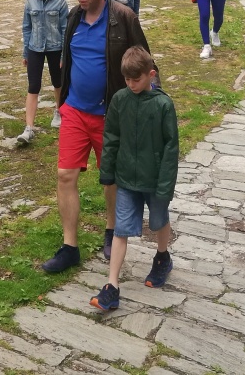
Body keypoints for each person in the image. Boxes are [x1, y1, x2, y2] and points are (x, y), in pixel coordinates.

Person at [41, 0, 151, 275]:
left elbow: (145, 63)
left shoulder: (123, 18)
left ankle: (111, 230)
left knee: (111, 178)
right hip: (75, 110)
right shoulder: (74, 17)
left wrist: (148, 107)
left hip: (110, 114)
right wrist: (62, 102)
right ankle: (69, 247)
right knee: (65, 175)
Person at [90, 47, 179, 310]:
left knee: (159, 221)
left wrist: (165, 185)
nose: (131, 84)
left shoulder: (163, 105)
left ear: (151, 75)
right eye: (127, 79)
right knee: (121, 229)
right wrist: (108, 172)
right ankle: (112, 285)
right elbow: (111, 138)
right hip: (126, 178)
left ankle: (162, 257)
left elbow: (171, 147)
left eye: (136, 79)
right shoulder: (120, 100)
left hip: (155, 179)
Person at [18, 0, 68, 146]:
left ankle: (59, 111)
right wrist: (26, 52)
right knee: (33, 86)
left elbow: (65, 29)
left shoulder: (60, 1)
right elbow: (26, 27)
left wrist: (64, 55)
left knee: (58, 82)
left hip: (55, 47)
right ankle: (29, 127)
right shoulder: (30, 0)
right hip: (35, 47)